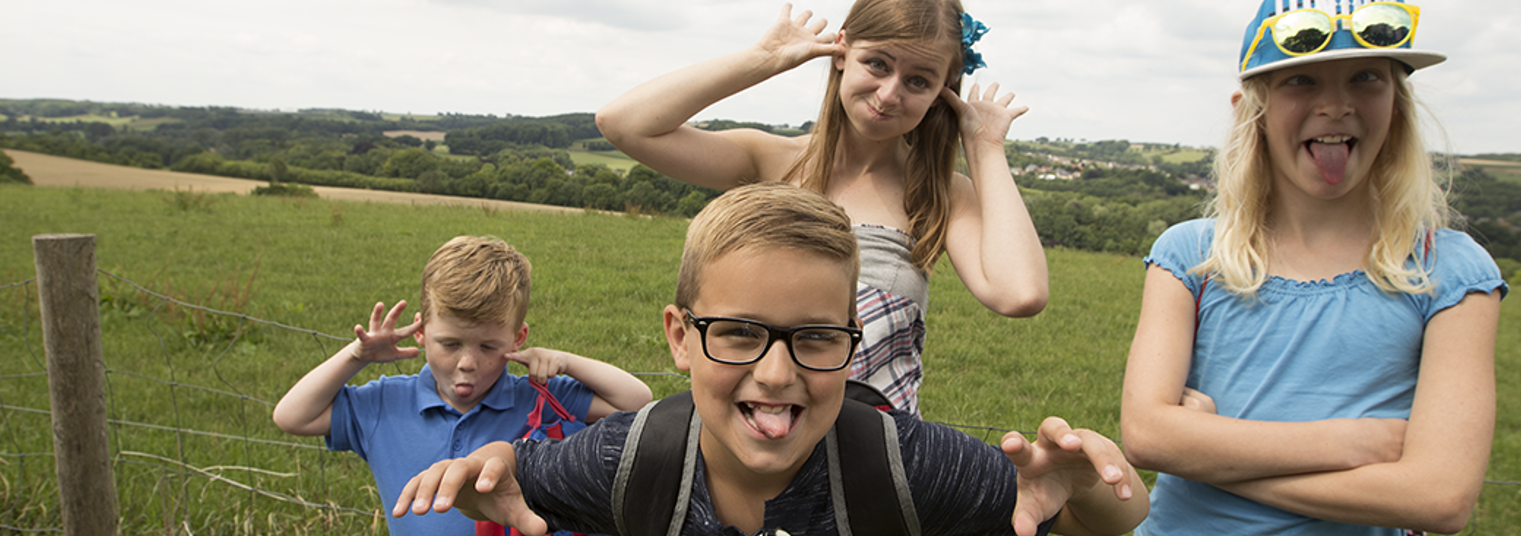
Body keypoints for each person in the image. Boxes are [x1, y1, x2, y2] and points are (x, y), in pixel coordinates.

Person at [393, 182, 1148, 536]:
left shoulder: (905, 463)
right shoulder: (632, 458)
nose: (778, 373)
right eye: (739, 332)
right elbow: (513, 480)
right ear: (680, 335)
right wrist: (484, 469)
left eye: (815, 337)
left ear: (851, 336)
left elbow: (1089, 525)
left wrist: (1091, 489)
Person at [1119, 0, 1508, 535]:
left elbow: (1439, 497)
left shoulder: (1450, 272)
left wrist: (1213, 456)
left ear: (1397, 105)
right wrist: (1351, 442)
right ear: (1251, 109)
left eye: (1366, 78)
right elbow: (1148, 435)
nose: (1335, 105)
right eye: (1300, 81)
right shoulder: (1191, 255)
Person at [596, 0, 1047, 414]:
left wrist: (986, 147)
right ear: (842, 53)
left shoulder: (938, 193)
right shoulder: (773, 161)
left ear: (942, 93)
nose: (889, 93)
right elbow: (624, 124)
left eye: (918, 81)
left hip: (870, 452)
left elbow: (1019, 294)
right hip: (754, 422)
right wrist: (763, 57)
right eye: (878, 63)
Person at [272, 235, 654, 536]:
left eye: (489, 346)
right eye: (450, 344)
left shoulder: (538, 396)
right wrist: (357, 356)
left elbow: (637, 400)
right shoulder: (387, 402)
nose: (467, 363)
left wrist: (565, 362)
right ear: (421, 332)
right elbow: (292, 416)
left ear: (518, 338)